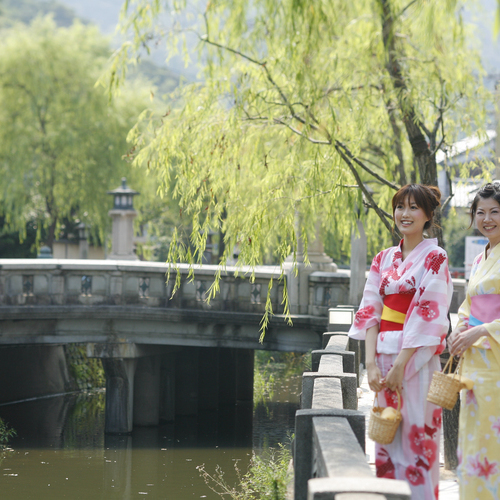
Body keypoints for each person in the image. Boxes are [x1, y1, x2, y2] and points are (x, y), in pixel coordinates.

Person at [349, 184, 453, 500]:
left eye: (413, 208)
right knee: (387, 437)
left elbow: (427, 314)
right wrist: (370, 365)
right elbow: (370, 312)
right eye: (400, 207)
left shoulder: (435, 257)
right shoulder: (383, 258)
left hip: (415, 358)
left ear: (428, 216)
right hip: (382, 356)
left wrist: (400, 364)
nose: (404, 214)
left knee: (418, 437)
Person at [448, 182, 500, 500]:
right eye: (481, 212)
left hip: (496, 365)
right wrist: (460, 329)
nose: (487, 219)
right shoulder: (482, 257)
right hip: (474, 364)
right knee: (473, 440)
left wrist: (481, 331)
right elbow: (468, 305)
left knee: (493, 443)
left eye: (495, 212)